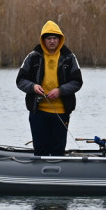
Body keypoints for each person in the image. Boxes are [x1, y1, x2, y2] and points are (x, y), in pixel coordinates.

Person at [16, 21, 83, 156]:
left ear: (59, 39)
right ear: (43, 40)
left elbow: (77, 82)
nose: (52, 41)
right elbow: (20, 80)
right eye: (49, 38)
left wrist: (60, 90)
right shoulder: (33, 57)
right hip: (38, 111)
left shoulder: (69, 58)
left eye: (55, 38)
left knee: (58, 151)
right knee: (40, 150)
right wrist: (33, 87)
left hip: (61, 112)